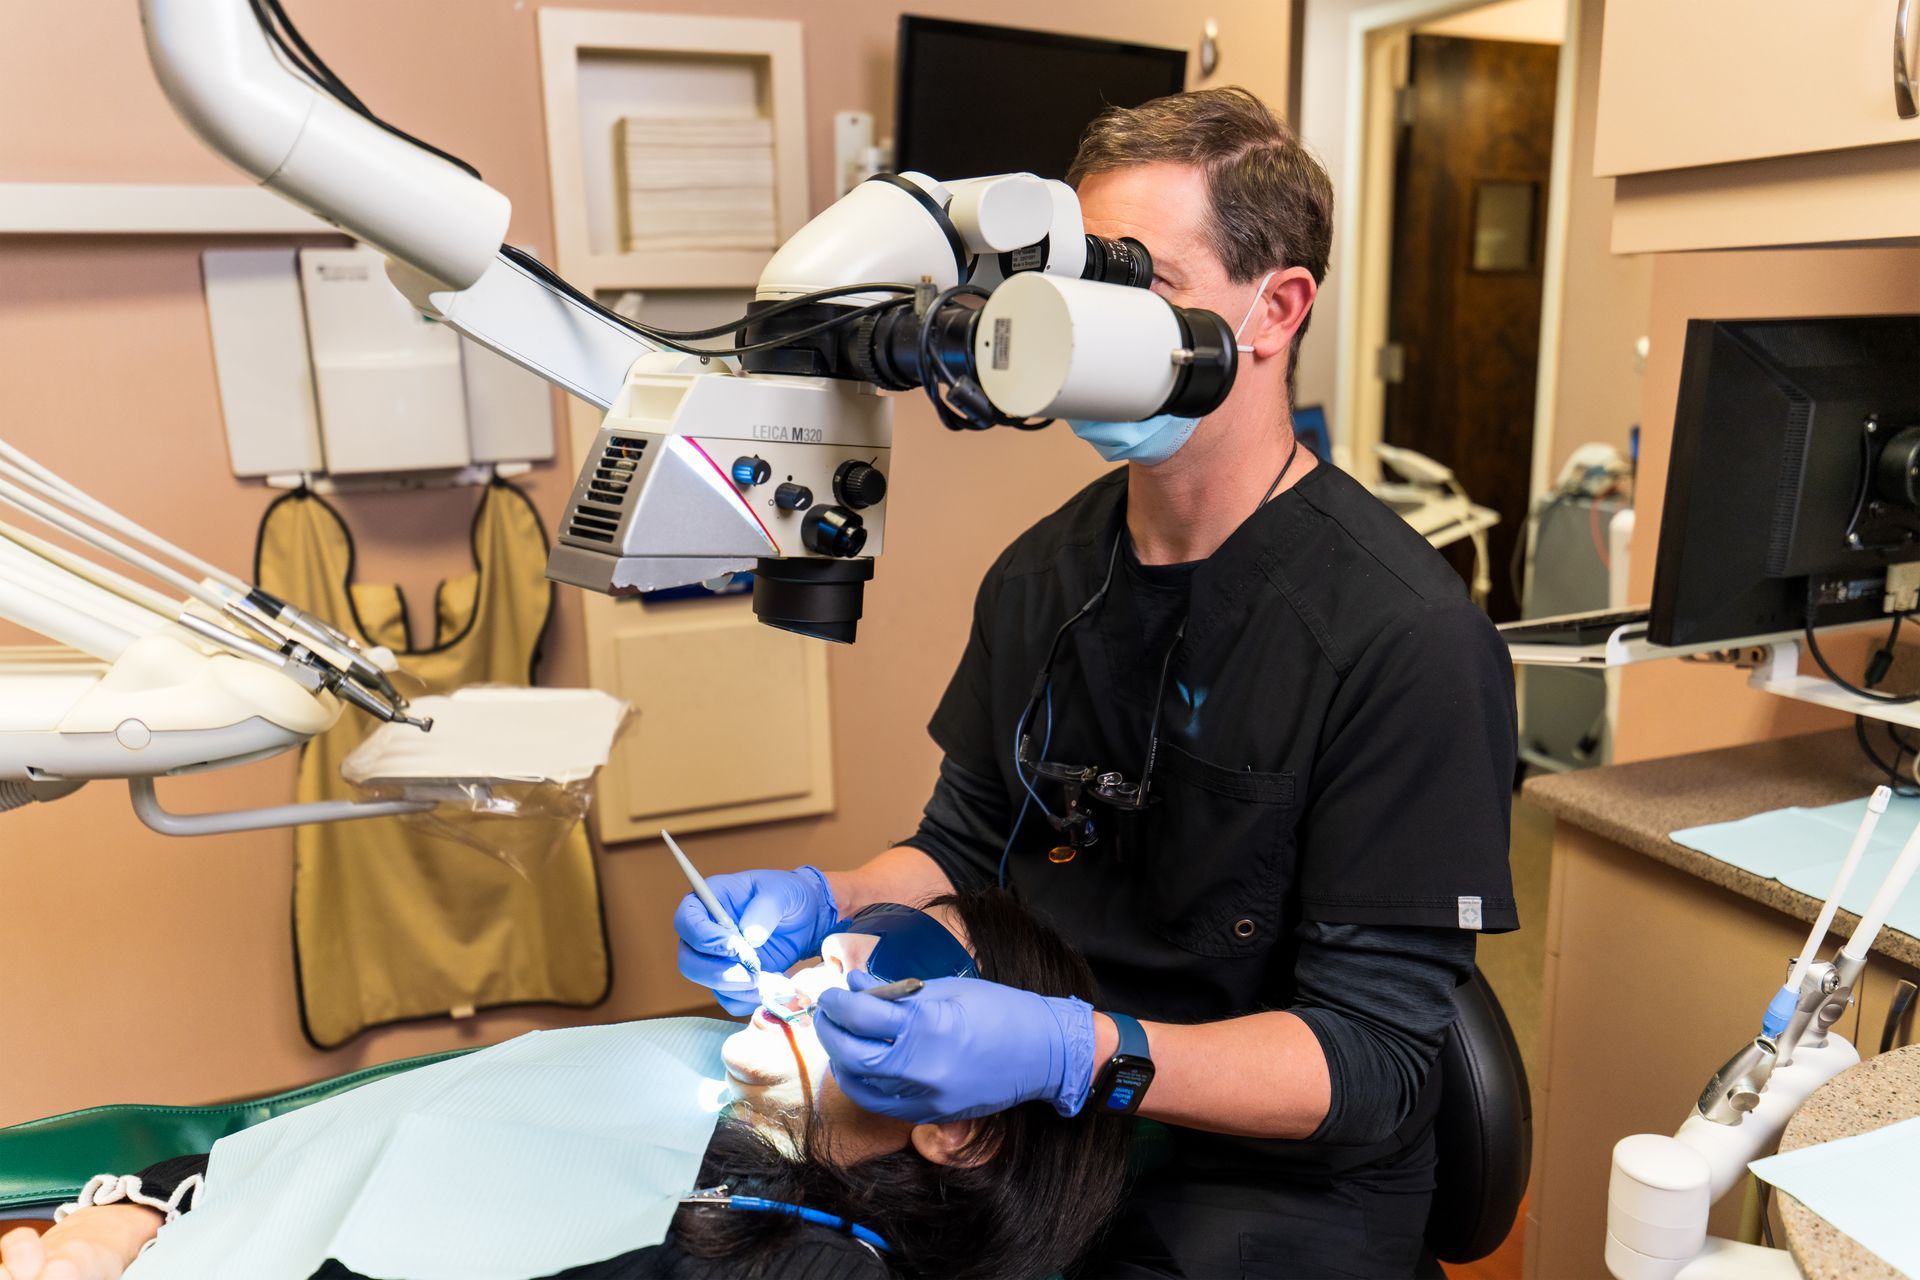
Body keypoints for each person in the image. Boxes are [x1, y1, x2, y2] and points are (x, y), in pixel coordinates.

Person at [672, 87, 1520, 1278]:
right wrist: (832, 891)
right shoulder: (1044, 574)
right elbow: (967, 844)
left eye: (1144, 282)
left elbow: (1374, 1063)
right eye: (1082, 282)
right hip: (1053, 1124)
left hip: (1275, 1179)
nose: (1087, 328)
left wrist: (1079, 1049)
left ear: (1275, 310)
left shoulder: (1406, 638)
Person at [0, 891, 1129, 1280]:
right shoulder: (665, 1090)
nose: (808, 979)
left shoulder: (810, 1261)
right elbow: (336, 1146)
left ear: (963, 1129)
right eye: (824, 953)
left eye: (880, 991)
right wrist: (128, 1211)